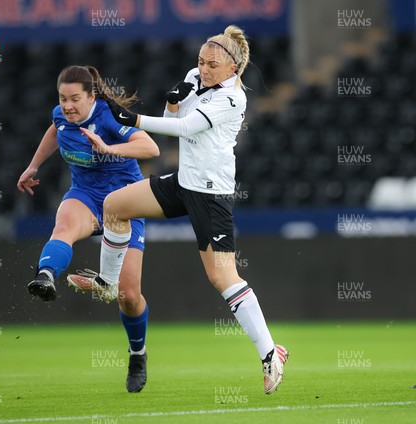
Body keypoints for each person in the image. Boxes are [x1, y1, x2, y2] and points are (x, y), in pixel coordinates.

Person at [67, 26, 290, 395]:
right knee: (114, 206)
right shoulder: (193, 77)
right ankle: (108, 283)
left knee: (222, 277)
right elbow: (173, 118)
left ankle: (270, 354)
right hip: (184, 182)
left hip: (210, 194)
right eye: (200, 61)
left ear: (233, 67)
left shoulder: (233, 98)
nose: (203, 68)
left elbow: (184, 128)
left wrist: (131, 119)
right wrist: (172, 102)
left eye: (212, 64)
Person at [17, 65, 159, 392]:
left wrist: (109, 148)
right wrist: (34, 164)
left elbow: (151, 148)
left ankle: (137, 353)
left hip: (123, 204)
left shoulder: (109, 117)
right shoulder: (61, 113)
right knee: (63, 225)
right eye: (62, 98)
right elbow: (56, 128)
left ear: (91, 96)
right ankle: (46, 276)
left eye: (75, 99)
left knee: (128, 296)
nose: (67, 105)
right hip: (85, 197)